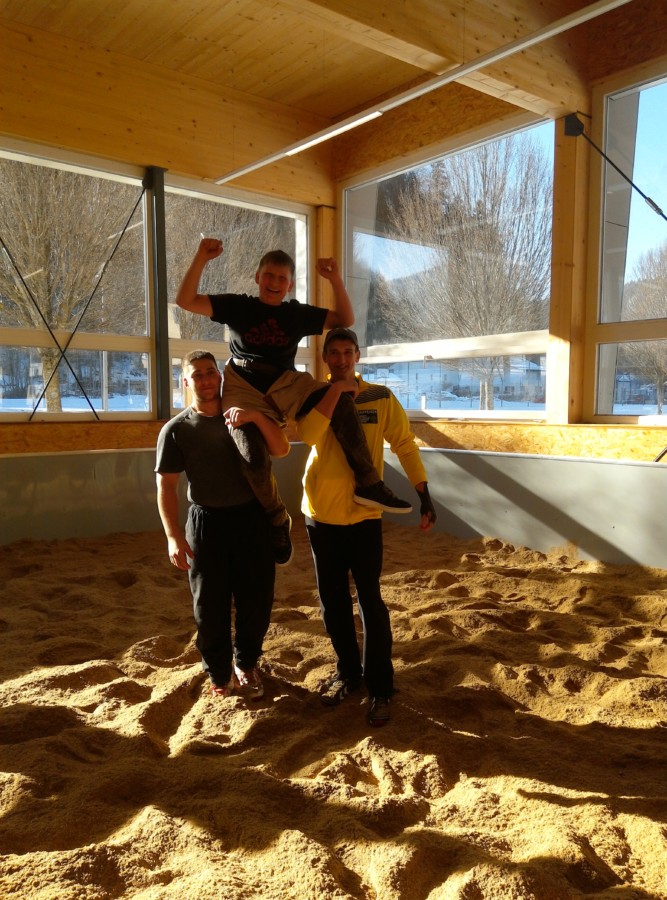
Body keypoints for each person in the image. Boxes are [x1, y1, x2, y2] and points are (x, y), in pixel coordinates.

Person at [175, 239, 412, 567]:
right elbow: (185, 300)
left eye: (282, 278)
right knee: (251, 453)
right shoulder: (238, 306)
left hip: (286, 382)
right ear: (258, 278)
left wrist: (334, 279)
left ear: (289, 284)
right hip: (243, 386)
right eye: (269, 276)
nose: (274, 283)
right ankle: (277, 517)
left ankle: (369, 482)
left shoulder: (295, 314)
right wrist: (201, 257)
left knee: (340, 401)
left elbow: (344, 317)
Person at [297, 327, 437, 727]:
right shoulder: (314, 395)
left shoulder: (380, 397)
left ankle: (380, 687)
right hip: (321, 513)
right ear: (325, 358)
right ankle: (347, 673)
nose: (341, 359)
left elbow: (404, 443)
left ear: (357, 356)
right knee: (332, 601)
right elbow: (308, 435)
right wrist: (334, 394)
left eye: (348, 352)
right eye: (334, 353)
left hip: (365, 515)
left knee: (370, 601)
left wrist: (423, 492)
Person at [155, 350, 290, 699]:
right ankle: (219, 672)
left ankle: (247, 664)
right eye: (197, 374)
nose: (205, 379)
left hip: (252, 519)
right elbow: (166, 486)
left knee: (256, 600)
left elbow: (281, 448)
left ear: (220, 376)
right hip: (206, 524)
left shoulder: (242, 416)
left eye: (210, 372)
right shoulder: (176, 430)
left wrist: (257, 417)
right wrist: (172, 537)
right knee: (209, 605)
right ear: (186, 381)